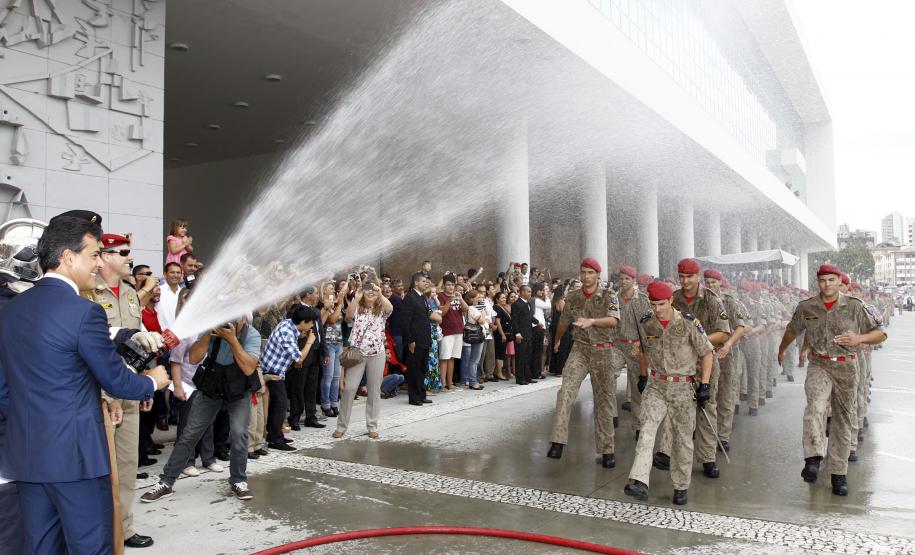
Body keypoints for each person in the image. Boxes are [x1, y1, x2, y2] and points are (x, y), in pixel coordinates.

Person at [0, 213, 170, 554]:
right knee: (90, 546)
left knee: (41, 547)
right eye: (93, 255)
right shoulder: (84, 311)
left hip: (27, 458)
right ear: (68, 257)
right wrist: (152, 382)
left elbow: (7, 389)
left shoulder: (12, 310)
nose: (98, 264)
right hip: (76, 460)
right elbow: (116, 380)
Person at [777, 264, 886, 496]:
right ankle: (813, 457)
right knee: (815, 406)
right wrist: (782, 348)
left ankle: (838, 473)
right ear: (818, 282)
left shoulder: (855, 306)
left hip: (846, 366)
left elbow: (880, 332)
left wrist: (859, 338)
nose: (826, 284)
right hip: (819, 364)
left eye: (831, 280)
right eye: (822, 280)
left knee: (843, 419)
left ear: (839, 281)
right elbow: (793, 330)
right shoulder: (807, 307)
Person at [87, 232, 160, 548]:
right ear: (104, 256)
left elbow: (136, 342)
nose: (130, 257)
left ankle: (124, 527)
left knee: (128, 465)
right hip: (100, 393)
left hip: (128, 390)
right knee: (101, 468)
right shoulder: (87, 293)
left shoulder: (130, 293)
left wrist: (144, 384)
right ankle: (100, 529)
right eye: (124, 252)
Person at [141, 315, 261, 503]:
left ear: (243, 320)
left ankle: (238, 480)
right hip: (211, 386)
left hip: (238, 390)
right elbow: (193, 358)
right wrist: (207, 335)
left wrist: (232, 340)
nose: (228, 323)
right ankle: (166, 481)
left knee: (239, 434)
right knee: (189, 434)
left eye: (234, 319)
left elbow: (248, 368)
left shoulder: (250, 334)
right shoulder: (211, 329)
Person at [623, 281, 714, 506]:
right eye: (653, 304)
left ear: (671, 301)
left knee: (683, 440)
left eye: (662, 304)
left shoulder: (689, 323)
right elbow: (644, 351)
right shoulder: (647, 323)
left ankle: (680, 486)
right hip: (657, 385)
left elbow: (707, 353)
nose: (657, 309)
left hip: (683, 388)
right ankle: (639, 481)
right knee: (646, 430)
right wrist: (643, 375)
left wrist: (705, 385)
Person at [653, 258, 730, 480]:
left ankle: (707, 458)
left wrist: (695, 341)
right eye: (682, 277)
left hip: (705, 361)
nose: (685, 281)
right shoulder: (673, 298)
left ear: (698, 276)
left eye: (690, 277)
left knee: (706, 408)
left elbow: (723, 333)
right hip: (678, 364)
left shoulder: (712, 300)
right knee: (675, 406)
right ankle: (666, 452)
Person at [545, 258, 621, 467]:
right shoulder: (573, 297)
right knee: (565, 392)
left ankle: (607, 450)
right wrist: (557, 340)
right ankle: (557, 441)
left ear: (597, 275)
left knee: (604, 401)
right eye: (583, 272)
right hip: (580, 349)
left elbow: (614, 320)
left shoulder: (609, 296)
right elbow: (564, 321)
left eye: (590, 273)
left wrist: (593, 321)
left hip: (603, 351)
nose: (586, 276)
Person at [333, 283, 393, 438]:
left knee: (374, 390)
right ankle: (341, 426)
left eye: (374, 291)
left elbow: (390, 308)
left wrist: (380, 293)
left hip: (377, 353)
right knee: (349, 388)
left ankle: (372, 426)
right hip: (357, 354)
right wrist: (357, 297)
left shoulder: (381, 310)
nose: (371, 293)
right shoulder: (358, 309)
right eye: (368, 291)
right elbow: (348, 316)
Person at [260, 305, 319, 451]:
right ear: (303, 322)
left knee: (278, 404)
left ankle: (274, 434)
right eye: (311, 322)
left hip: (276, 369)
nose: (312, 325)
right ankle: (275, 440)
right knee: (280, 404)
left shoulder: (288, 323)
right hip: (272, 371)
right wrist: (310, 341)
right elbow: (299, 358)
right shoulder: (287, 333)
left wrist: (302, 335)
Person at [702, 269, 748, 452]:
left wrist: (728, 344)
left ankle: (723, 435)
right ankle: (707, 433)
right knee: (707, 394)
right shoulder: (700, 301)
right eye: (707, 282)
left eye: (714, 282)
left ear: (720, 282)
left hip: (725, 354)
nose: (710, 285)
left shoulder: (729, 301)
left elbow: (740, 327)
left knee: (725, 394)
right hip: (704, 353)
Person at [612, 266, 651, 437]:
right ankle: (611, 415)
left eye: (627, 279)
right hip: (617, 346)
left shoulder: (643, 300)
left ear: (634, 281)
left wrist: (643, 346)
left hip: (637, 348)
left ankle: (638, 425)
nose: (623, 282)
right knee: (607, 377)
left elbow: (649, 326)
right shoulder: (613, 299)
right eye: (621, 278)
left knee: (638, 388)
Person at [287, 286, 326, 429]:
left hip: (315, 353)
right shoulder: (295, 310)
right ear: (308, 295)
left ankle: (311, 416)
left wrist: (325, 351)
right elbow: (291, 331)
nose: (317, 295)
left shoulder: (315, 311)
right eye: (315, 293)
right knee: (298, 387)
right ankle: (295, 418)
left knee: (311, 387)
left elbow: (320, 332)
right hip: (301, 353)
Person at [401, 272, 434, 406]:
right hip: (415, 340)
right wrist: (410, 340)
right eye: (423, 281)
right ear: (416, 283)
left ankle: (421, 394)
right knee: (414, 369)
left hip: (424, 339)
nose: (426, 283)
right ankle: (414, 397)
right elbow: (405, 321)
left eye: (426, 281)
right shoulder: (410, 298)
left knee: (422, 368)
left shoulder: (422, 297)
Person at [320, 283, 347, 417]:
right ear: (324, 292)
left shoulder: (336, 304)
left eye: (333, 288)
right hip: (328, 344)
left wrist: (340, 302)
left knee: (336, 376)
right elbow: (332, 319)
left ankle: (334, 402)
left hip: (338, 343)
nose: (334, 290)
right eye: (330, 289)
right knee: (328, 376)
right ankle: (325, 404)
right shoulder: (323, 306)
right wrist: (340, 304)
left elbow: (345, 318)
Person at [437, 274, 465, 390]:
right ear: (444, 285)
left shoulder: (457, 295)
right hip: (446, 331)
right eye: (448, 285)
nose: (450, 287)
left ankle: (450, 383)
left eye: (452, 285)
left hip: (458, 330)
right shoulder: (440, 296)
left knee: (452, 358)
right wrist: (449, 301)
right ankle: (443, 384)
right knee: (444, 358)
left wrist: (461, 299)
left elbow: (466, 309)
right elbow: (442, 313)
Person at [458, 289, 488, 390]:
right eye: (477, 297)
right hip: (477, 335)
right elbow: (482, 321)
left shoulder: (471, 308)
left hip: (475, 334)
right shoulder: (472, 309)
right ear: (471, 299)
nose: (479, 299)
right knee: (474, 360)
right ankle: (473, 381)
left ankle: (473, 380)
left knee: (474, 359)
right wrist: (483, 312)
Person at [157, 261, 183, 331]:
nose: (175, 275)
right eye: (172, 272)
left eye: (178, 273)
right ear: (165, 275)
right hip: (162, 334)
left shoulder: (184, 293)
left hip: (181, 334)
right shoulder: (158, 291)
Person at [492, 291, 512, 380]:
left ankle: (497, 372)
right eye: (502, 298)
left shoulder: (503, 307)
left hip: (506, 333)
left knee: (502, 353)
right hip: (499, 334)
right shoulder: (496, 308)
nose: (504, 299)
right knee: (499, 354)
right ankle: (499, 373)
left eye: (505, 297)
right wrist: (502, 334)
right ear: (497, 299)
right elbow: (498, 322)